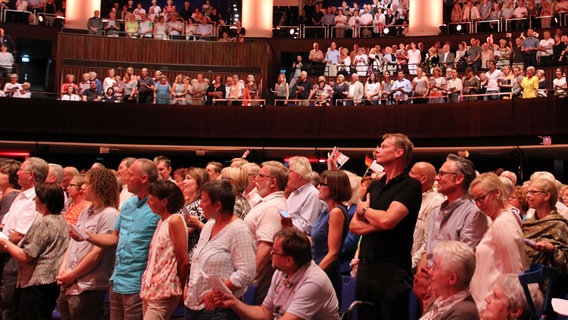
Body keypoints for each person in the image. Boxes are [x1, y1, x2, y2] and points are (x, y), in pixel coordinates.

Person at [350, 133, 422, 320]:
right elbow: (354, 226)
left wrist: (366, 212)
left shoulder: (410, 185)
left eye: (383, 146)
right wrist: (381, 222)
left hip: (391, 270)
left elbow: (387, 220)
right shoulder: (375, 186)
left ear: (399, 152)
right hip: (366, 269)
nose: (377, 150)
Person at [81, 159, 160, 320]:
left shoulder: (158, 207)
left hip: (139, 281)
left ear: (143, 179)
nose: (125, 178)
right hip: (117, 278)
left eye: (130, 175)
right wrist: (87, 235)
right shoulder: (128, 204)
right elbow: (114, 238)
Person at [209, 227, 339, 320]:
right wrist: (234, 303)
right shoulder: (280, 273)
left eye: (274, 251)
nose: (270, 253)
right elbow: (265, 313)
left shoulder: (313, 282)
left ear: (289, 261)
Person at [414, 154, 488, 311]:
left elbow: (463, 260)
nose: (437, 179)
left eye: (442, 174)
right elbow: (428, 250)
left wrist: (436, 282)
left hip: (453, 291)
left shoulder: (473, 212)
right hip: (432, 286)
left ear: (459, 178)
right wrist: (424, 279)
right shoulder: (436, 212)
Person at [185, 179, 256, 319]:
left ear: (217, 205)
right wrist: (188, 287)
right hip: (194, 304)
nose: (200, 204)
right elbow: (198, 261)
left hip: (219, 308)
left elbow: (247, 272)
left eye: (204, 201)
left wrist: (216, 292)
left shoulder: (238, 230)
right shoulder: (210, 225)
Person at [57, 167, 119, 320]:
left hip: (88, 286)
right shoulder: (86, 211)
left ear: (99, 186)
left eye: (87, 183)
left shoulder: (109, 214)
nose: (82, 187)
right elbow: (72, 244)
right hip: (70, 284)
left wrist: (72, 275)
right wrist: (63, 269)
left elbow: (97, 253)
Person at [0, 182, 69, 320]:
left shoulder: (43, 223)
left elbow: (26, 256)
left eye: (36, 197)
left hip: (36, 282)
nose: (33, 200)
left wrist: (5, 242)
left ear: (45, 201)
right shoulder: (62, 220)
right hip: (50, 281)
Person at [468, 173, 526, 311]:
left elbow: (513, 274)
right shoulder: (500, 220)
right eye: (475, 200)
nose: (479, 205)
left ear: (497, 193)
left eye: (481, 198)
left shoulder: (503, 223)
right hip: (486, 303)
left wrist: (507, 310)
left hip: (493, 307)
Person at [0, 156, 49, 320]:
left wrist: (2, 244)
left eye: (21, 169)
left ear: (31, 175)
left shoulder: (36, 198)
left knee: (10, 305)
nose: (18, 173)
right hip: (7, 252)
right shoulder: (20, 196)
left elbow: (19, 234)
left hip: (18, 257)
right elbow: (6, 225)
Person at [140, 180, 188, 319]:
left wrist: (180, 287)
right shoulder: (161, 222)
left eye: (151, 199)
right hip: (151, 287)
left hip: (165, 288)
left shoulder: (175, 220)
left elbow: (183, 260)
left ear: (164, 201)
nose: (148, 203)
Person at [243, 161, 288, 305]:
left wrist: (248, 279)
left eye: (261, 176)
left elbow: (267, 246)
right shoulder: (269, 203)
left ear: (273, 182)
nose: (257, 179)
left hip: (257, 279)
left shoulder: (271, 207)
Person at [522, 177, 568, 299]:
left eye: (533, 192)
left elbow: (566, 262)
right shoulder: (527, 224)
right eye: (528, 192)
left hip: (549, 291)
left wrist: (552, 250)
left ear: (547, 196)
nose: (528, 196)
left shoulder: (559, 225)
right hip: (525, 283)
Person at [312, 170, 350, 301]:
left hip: (326, 274)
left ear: (334, 188)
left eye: (322, 184)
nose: (318, 187)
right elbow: (316, 242)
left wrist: (313, 276)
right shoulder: (326, 211)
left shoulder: (336, 213)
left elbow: (333, 253)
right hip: (319, 270)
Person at [419, 241, 479, 320]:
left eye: (435, 268)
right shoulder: (439, 301)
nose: (430, 272)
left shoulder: (463, 313)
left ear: (452, 279)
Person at [408, 162, 445, 272]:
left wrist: (409, 265)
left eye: (412, 172)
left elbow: (429, 242)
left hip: (414, 270)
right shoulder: (407, 198)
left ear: (423, 179)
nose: (407, 176)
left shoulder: (436, 202)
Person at [286, 156, 322, 235]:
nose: (287, 175)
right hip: (288, 235)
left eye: (290, 171)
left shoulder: (313, 194)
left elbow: (307, 227)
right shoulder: (294, 192)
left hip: (297, 241)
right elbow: (287, 213)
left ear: (299, 174)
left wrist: (286, 224)